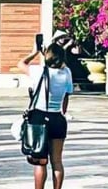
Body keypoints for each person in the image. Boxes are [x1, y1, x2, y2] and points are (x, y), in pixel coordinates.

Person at [28, 39, 75, 189]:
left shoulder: (39, 71)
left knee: (40, 161)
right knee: (57, 161)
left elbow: (20, 64)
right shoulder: (66, 72)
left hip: (39, 117)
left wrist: (35, 52)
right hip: (57, 118)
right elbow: (67, 95)